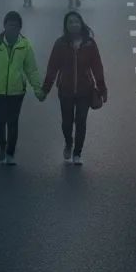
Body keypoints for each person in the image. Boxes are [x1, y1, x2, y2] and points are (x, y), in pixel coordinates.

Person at [42, 11, 107, 165]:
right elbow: (52, 67)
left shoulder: (89, 44)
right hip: (65, 90)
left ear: (81, 23)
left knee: (81, 122)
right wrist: (45, 88)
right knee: (66, 122)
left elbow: (97, 67)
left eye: (76, 21)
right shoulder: (60, 44)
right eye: (70, 22)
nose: (73, 24)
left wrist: (102, 88)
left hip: (85, 90)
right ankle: (68, 143)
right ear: (66, 26)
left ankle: (77, 153)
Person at [0, 10, 42, 164]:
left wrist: (37, 88)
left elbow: (31, 69)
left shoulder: (25, 45)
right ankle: (2, 145)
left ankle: (10, 152)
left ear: (19, 28)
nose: (12, 28)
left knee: (12, 122)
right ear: (4, 26)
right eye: (9, 25)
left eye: (15, 26)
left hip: (17, 92)